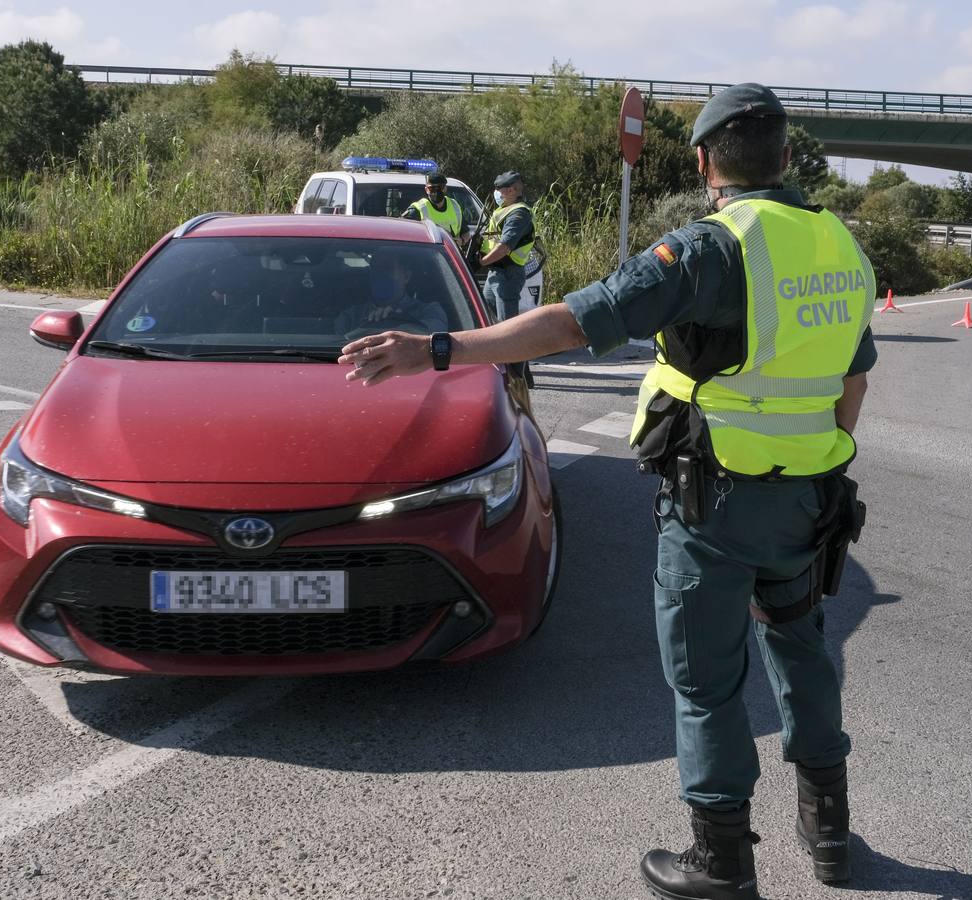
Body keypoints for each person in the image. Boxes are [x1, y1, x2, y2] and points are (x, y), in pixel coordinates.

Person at [337, 83, 877, 900]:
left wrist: (436, 350)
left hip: (716, 500)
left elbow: (571, 322)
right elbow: (851, 377)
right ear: (788, 159)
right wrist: (819, 465)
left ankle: (722, 859)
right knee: (800, 646)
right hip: (807, 495)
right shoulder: (839, 242)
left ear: (703, 161)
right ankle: (827, 829)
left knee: (705, 678)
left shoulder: (709, 248)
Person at [334, 249, 448, 337]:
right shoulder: (351, 316)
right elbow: (339, 346)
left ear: (406, 276)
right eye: (375, 268)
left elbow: (435, 338)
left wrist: (395, 320)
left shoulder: (429, 311)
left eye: (387, 267)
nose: (379, 274)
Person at [478, 171, 535, 322]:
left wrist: (482, 262)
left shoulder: (519, 214)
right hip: (496, 272)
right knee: (487, 318)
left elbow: (504, 247)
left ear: (511, 190)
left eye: (499, 189)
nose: (496, 193)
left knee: (506, 325)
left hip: (508, 274)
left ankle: (513, 347)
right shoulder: (504, 209)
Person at [402, 172, 465, 246]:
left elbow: (466, 232)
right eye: (432, 188)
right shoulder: (418, 209)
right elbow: (402, 232)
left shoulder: (455, 206)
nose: (436, 192)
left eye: (440, 188)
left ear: (445, 188)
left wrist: (462, 241)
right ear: (426, 190)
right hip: (427, 254)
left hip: (450, 254)